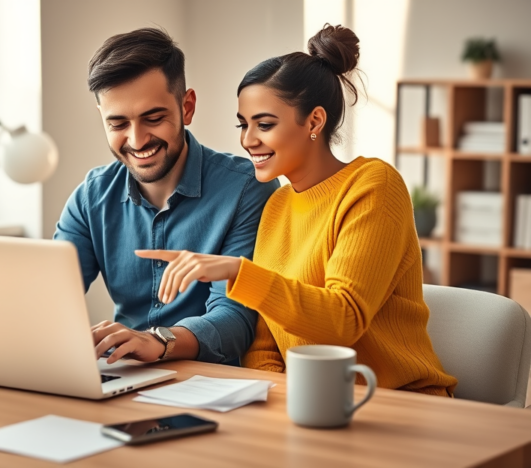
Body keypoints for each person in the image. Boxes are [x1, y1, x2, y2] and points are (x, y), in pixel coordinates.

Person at [138, 24, 457, 396]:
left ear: (314, 121)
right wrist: (274, 400)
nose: (247, 140)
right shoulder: (277, 204)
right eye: (243, 124)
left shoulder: (374, 185)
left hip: (400, 400)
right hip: (312, 402)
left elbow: (343, 320)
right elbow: (264, 344)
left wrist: (238, 271)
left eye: (264, 124)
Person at [53, 28, 279, 365]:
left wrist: (158, 341)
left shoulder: (248, 189)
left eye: (154, 118)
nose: (137, 140)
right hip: (124, 373)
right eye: (118, 124)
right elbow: (48, 298)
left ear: (187, 107)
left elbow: (236, 320)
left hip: (213, 380)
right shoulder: (91, 197)